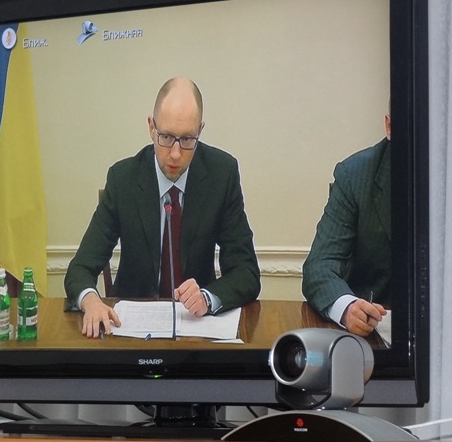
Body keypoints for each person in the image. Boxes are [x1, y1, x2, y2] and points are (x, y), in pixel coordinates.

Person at [64, 77, 261, 338]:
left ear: (200, 130)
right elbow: (80, 268)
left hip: (195, 331)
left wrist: (207, 297)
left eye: (187, 139)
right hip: (130, 331)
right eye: (166, 137)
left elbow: (246, 272)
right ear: (151, 127)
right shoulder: (123, 179)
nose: (176, 153)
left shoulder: (221, 175)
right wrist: (90, 301)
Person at [302, 110, 391, 336]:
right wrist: (348, 308)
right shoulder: (355, 175)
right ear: (389, 126)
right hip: (374, 331)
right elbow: (320, 265)